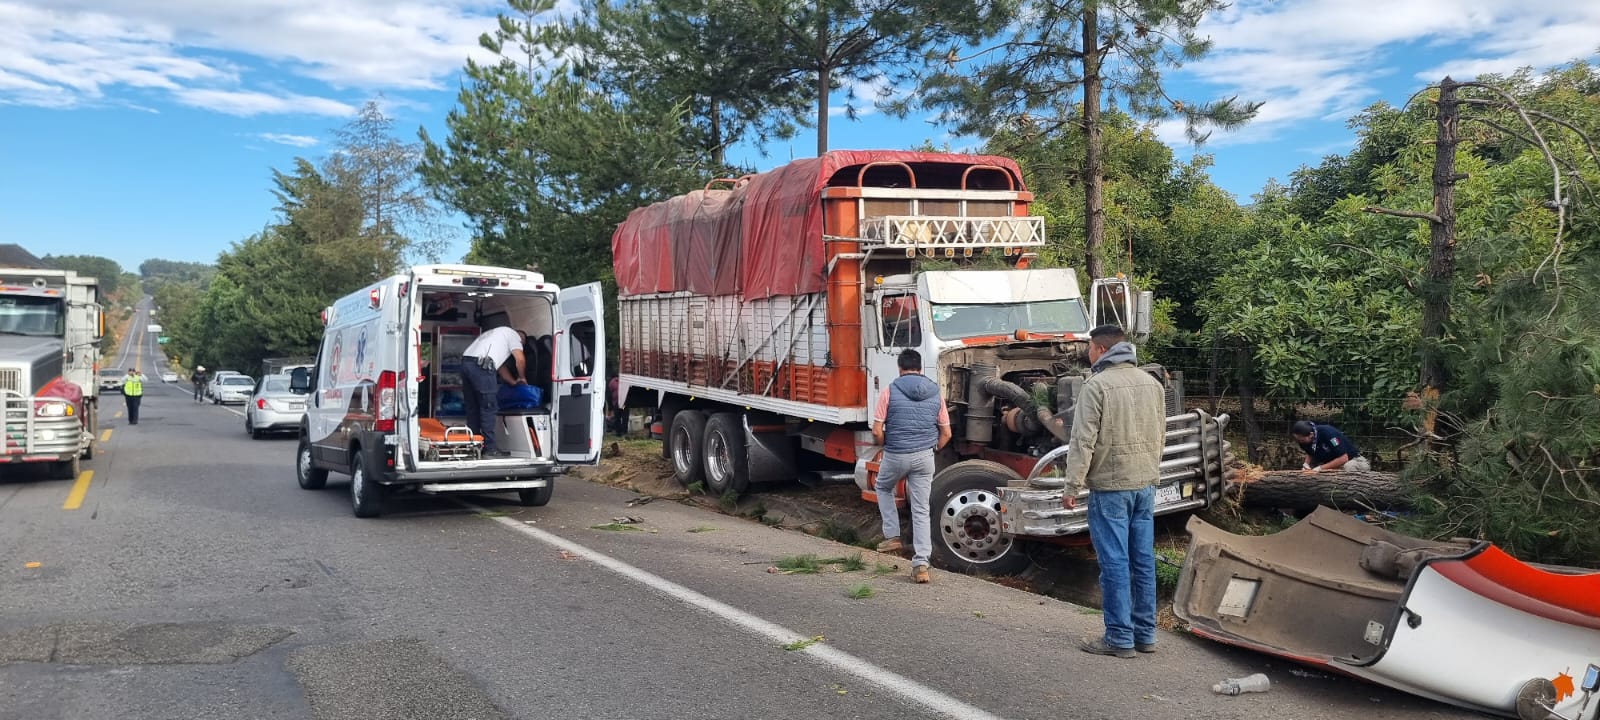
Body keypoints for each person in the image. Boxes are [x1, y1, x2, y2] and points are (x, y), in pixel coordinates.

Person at [1058, 324, 1166, 659]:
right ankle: (1145, 635)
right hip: (1144, 484)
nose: (1088, 353)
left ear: (1101, 349)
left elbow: (1083, 440)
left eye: (1090, 347)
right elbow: (1160, 432)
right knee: (1143, 560)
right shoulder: (1152, 383)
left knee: (1115, 562)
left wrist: (1072, 484)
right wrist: (1151, 470)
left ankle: (1119, 639)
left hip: (1110, 488)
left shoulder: (1097, 385)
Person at [870, 349, 951, 585]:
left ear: (900, 368)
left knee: (883, 487)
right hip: (925, 457)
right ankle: (921, 565)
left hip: (896, 454)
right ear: (920, 367)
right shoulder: (936, 393)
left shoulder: (891, 391)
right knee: (921, 508)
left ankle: (893, 536)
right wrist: (931, 449)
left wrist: (885, 444)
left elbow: (876, 430)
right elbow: (946, 433)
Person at [461, 325, 528, 457]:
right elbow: (520, 360)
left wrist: (514, 383)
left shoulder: (496, 334)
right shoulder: (514, 335)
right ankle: (490, 449)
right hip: (481, 366)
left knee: (473, 407)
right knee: (489, 407)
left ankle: (474, 446)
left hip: (466, 363)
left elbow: (500, 368)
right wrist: (522, 377)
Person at [1291, 420, 1371, 473]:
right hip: (1330, 463)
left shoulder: (1328, 433)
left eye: (1302, 440)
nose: (1300, 442)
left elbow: (1344, 458)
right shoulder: (1304, 440)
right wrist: (1306, 464)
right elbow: (1310, 452)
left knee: (1349, 467)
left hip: (1352, 461)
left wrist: (1320, 468)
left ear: (1311, 435)